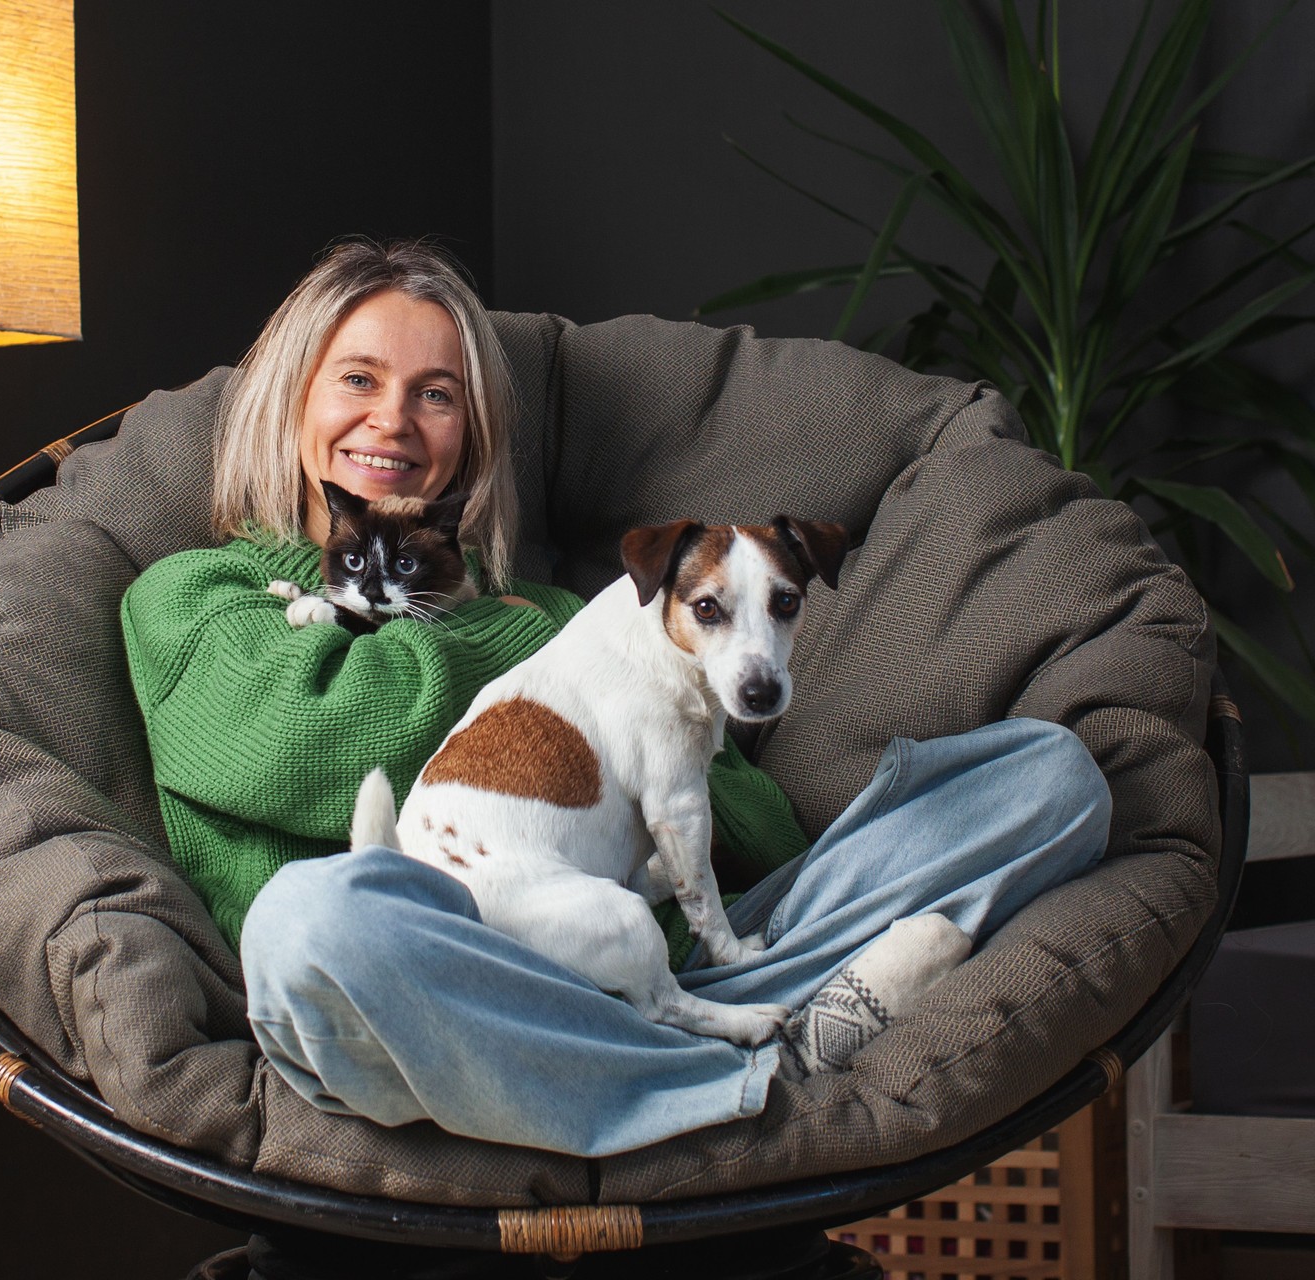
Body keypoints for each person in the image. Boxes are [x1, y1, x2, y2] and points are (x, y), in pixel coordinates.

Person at [119, 239, 1111, 1158]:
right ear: (292, 399)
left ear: (469, 436)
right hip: (418, 994)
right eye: (359, 379)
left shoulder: (581, 611)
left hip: (676, 967)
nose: (393, 419)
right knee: (308, 914)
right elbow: (313, 744)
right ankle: (746, 1072)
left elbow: (759, 827)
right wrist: (543, 659)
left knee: (1050, 774)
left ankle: (722, 1046)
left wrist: (657, 761)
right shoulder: (197, 596)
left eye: (436, 394)